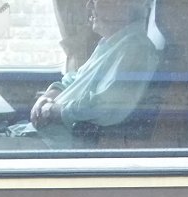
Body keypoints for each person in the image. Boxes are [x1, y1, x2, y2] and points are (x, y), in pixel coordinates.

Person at [27, 0, 159, 144]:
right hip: (47, 134)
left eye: (96, 1)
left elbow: (103, 107)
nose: (89, 6)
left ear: (123, 6)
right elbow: (75, 79)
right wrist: (48, 96)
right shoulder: (111, 43)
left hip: (60, 142)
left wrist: (53, 110)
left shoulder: (136, 49)